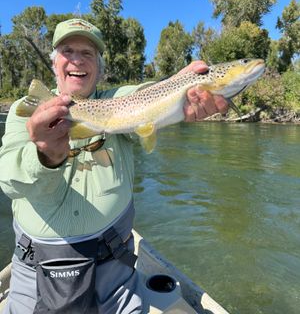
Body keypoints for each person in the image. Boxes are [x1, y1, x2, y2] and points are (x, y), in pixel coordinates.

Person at [0, 18, 228, 314]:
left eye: (88, 53)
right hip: (36, 274)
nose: (77, 60)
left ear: (100, 66)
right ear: (55, 63)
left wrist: (178, 85)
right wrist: (45, 155)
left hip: (116, 273)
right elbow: (8, 181)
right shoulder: (26, 110)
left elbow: (144, 94)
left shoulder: (117, 102)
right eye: (68, 50)